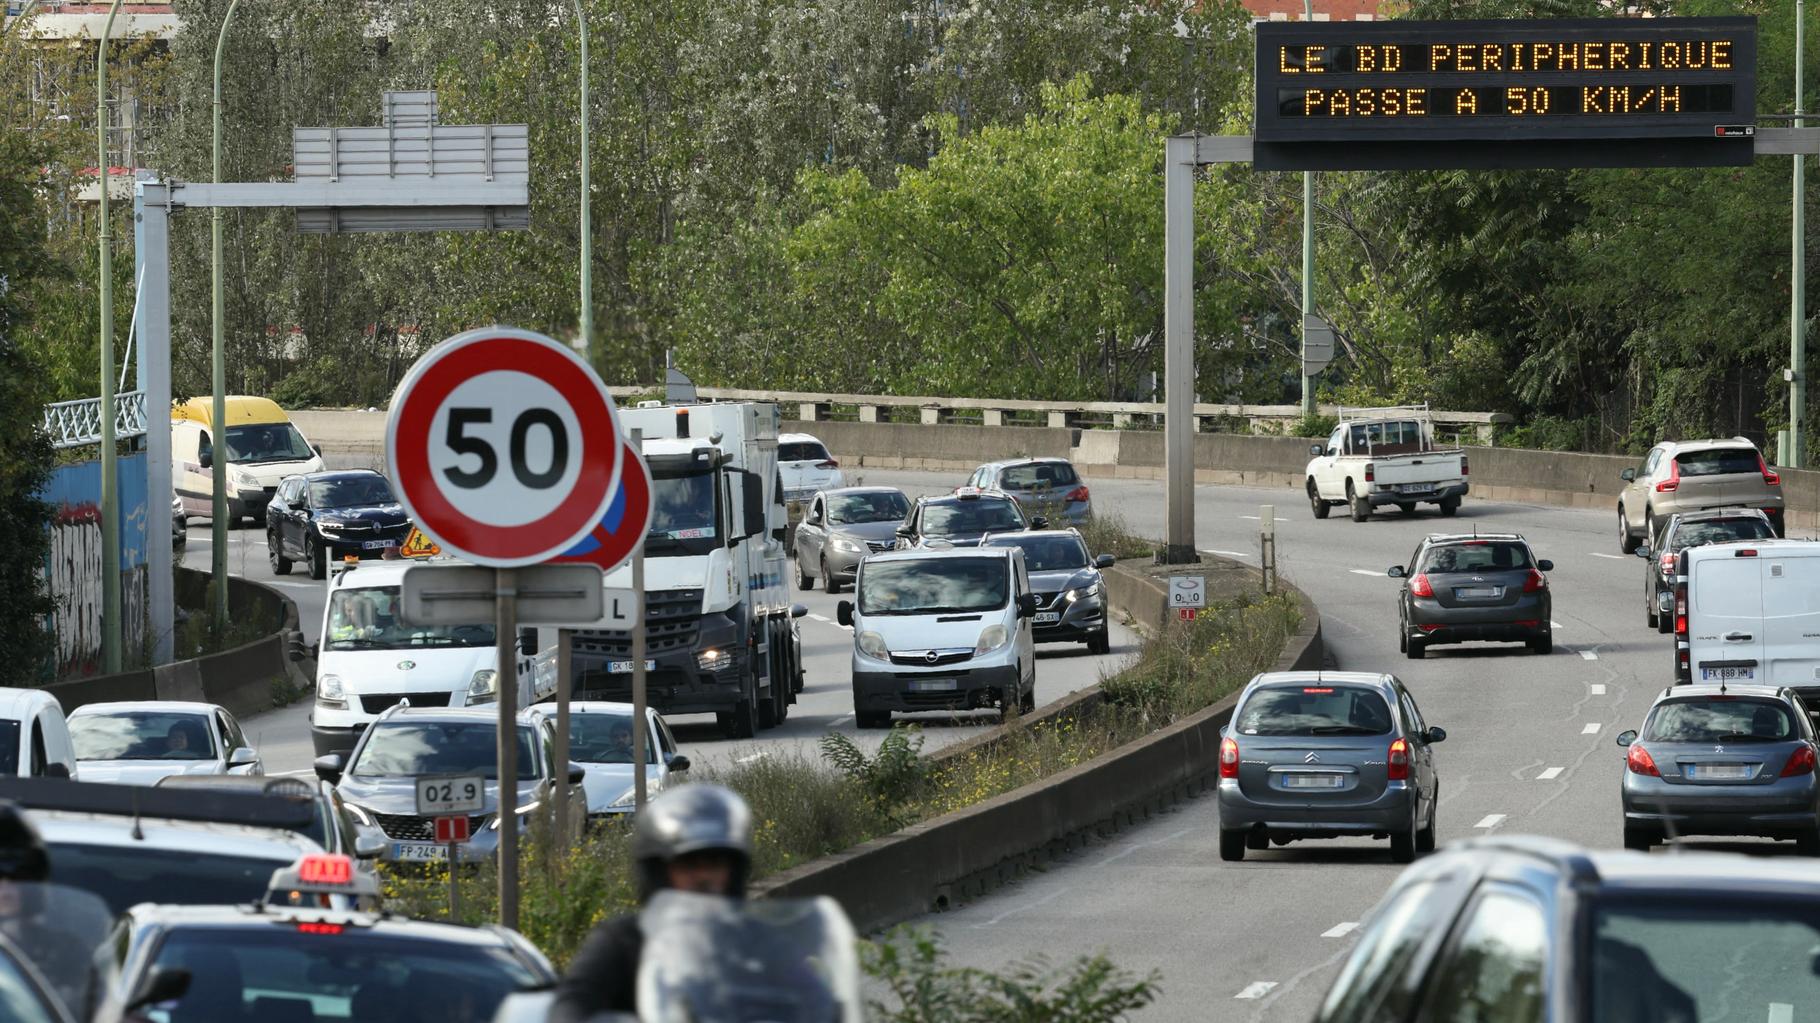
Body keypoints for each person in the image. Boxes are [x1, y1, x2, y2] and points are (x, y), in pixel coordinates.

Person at [549, 784, 753, 1021]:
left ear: (734, 871)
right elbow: (571, 1006)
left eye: (715, 863)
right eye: (688, 864)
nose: (703, 877)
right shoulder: (623, 943)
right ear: (659, 872)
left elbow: (803, 994)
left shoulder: (756, 947)